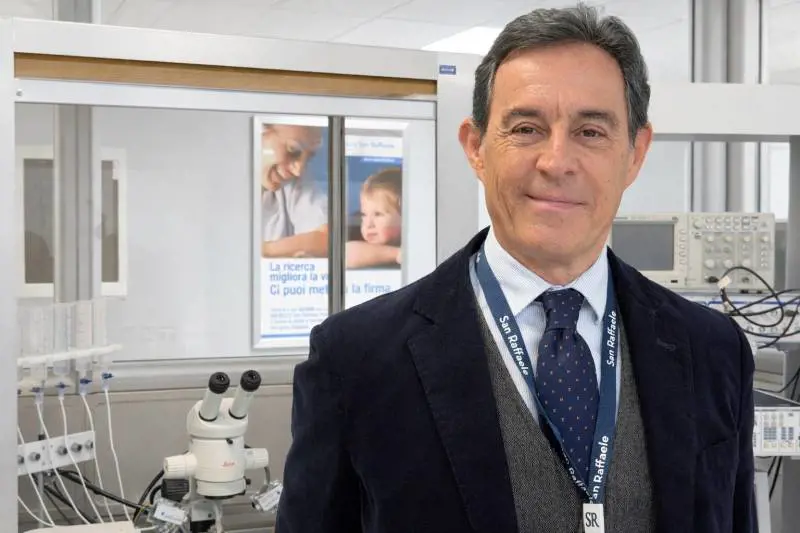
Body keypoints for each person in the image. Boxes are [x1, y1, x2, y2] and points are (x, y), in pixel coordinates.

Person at [276, 5, 755, 533]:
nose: (556, 161)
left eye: (591, 132)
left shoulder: (713, 351)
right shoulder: (356, 361)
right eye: (526, 128)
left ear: (635, 154)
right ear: (476, 148)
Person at [260, 123, 328, 258]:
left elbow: (326, 239)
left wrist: (260, 250)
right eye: (293, 151)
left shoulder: (296, 183)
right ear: (259, 134)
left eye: (308, 159)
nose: (298, 171)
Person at [345, 167, 402, 269]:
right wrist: (398, 254)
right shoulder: (361, 244)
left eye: (378, 214)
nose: (368, 224)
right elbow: (346, 254)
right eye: (364, 215)